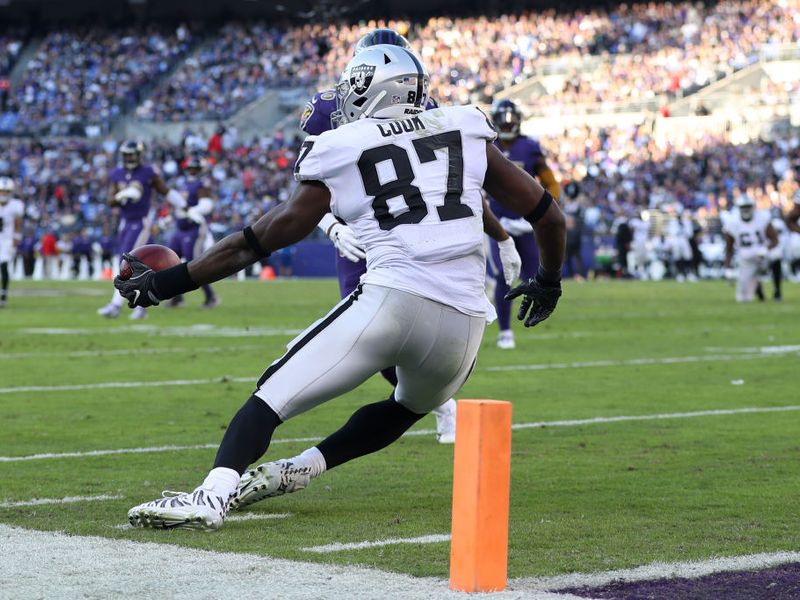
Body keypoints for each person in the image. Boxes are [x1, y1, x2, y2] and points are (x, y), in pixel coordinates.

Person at [115, 44, 565, 530]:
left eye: (355, 85)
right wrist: (548, 280)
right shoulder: (465, 127)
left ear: (376, 89)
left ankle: (212, 495)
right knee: (407, 407)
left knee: (271, 394)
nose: (347, 94)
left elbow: (258, 242)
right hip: (465, 323)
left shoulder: (343, 145)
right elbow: (548, 216)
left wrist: (168, 283)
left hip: (394, 300)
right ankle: (299, 469)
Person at [300, 28, 521, 441]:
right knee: (367, 325)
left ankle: (433, 397)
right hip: (356, 228)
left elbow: (464, 187)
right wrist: (330, 225)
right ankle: (435, 402)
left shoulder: (430, 110)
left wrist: (502, 235)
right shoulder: (329, 106)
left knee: (408, 321)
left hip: (410, 229)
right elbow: (307, 185)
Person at [488, 99, 561, 350]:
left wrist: (543, 210)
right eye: (504, 120)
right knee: (504, 277)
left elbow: (551, 184)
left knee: (534, 276)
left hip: (526, 224)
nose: (508, 124)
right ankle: (505, 331)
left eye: (511, 119)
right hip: (497, 223)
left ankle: (529, 321)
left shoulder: (529, 147)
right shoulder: (487, 144)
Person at [97, 140, 189, 319]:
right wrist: (122, 195)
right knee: (128, 263)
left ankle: (121, 305)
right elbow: (110, 200)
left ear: (139, 155)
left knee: (131, 263)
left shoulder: (147, 172)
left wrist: (184, 205)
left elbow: (166, 191)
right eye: (126, 155)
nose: (129, 158)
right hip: (125, 222)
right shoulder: (118, 173)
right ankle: (135, 306)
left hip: (141, 222)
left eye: (132, 154)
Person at [167, 157, 218, 308]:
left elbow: (207, 205)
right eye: (189, 168)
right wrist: (169, 218)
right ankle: (177, 297)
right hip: (180, 229)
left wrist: (192, 211)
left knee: (193, 264)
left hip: (193, 229)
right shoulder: (183, 184)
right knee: (170, 261)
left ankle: (210, 296)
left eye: (194, 168)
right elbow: (178, 206)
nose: (191, 171)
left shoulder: (201, 185)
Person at [723, 195, 778, 302]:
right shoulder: (732, 221)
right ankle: (758, 288)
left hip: (763, 254)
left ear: (753, 207)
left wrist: (767, 248)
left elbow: (775, 239)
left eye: (748, 206)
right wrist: (728, 268)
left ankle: (778, 292)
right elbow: (728, 248)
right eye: (743, 207)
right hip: (745, 259)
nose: (746, 209)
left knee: (777, 254)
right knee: (743, 298)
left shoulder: (762, 217)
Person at [0, 177, 24, 307]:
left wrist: (16, 241)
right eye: (1, 191)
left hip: (7, 239)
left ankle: (3, 295)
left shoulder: (16, 205)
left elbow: (18, 224)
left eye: (6, 191)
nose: (3, 194)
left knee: (3, 265)